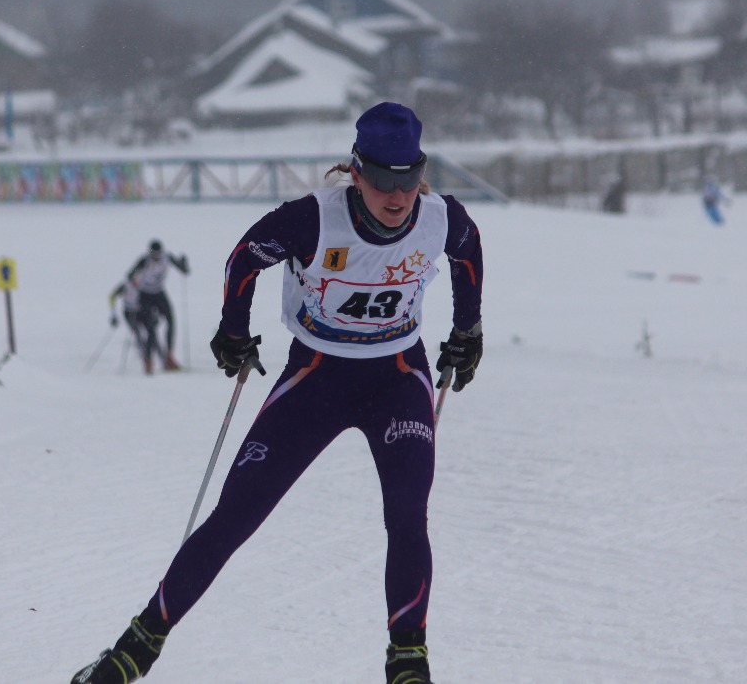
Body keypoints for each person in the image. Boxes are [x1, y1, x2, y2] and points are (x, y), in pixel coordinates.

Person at [68, 102, 484, 684]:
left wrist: (468, 330)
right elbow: (245, 258)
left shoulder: (441, 218)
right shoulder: (312, 220)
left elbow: (468, 253)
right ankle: (134, 650)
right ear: (356, 172)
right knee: (235, 515)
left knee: (408, 515)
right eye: (384, 181)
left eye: (409, 179)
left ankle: (408, 662)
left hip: (397, 377)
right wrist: (233, 329)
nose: (397, 195)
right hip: (317, 376)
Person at [126, 239, 189, 373]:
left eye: (157, 254)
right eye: (153, 254)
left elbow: (184, 271)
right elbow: (130, 274)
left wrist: (184, 263)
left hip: (159, 293)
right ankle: (148, 361)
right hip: (145, 295)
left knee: (171, 321)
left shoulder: (167, 257)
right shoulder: (144, 260)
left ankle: (169, 357)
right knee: (150, 328)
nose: (156, 257)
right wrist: (135, 286)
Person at [108, 276, 160, 366]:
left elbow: (152, 299)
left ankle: (162, 357)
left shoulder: (144, 284)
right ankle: (144, 357)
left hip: (142, 311)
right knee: (137, 333)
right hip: (130, 312)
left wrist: (155, 314)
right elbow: (112, 296)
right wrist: (113, 314)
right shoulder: (126, 285)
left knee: (152, 333)